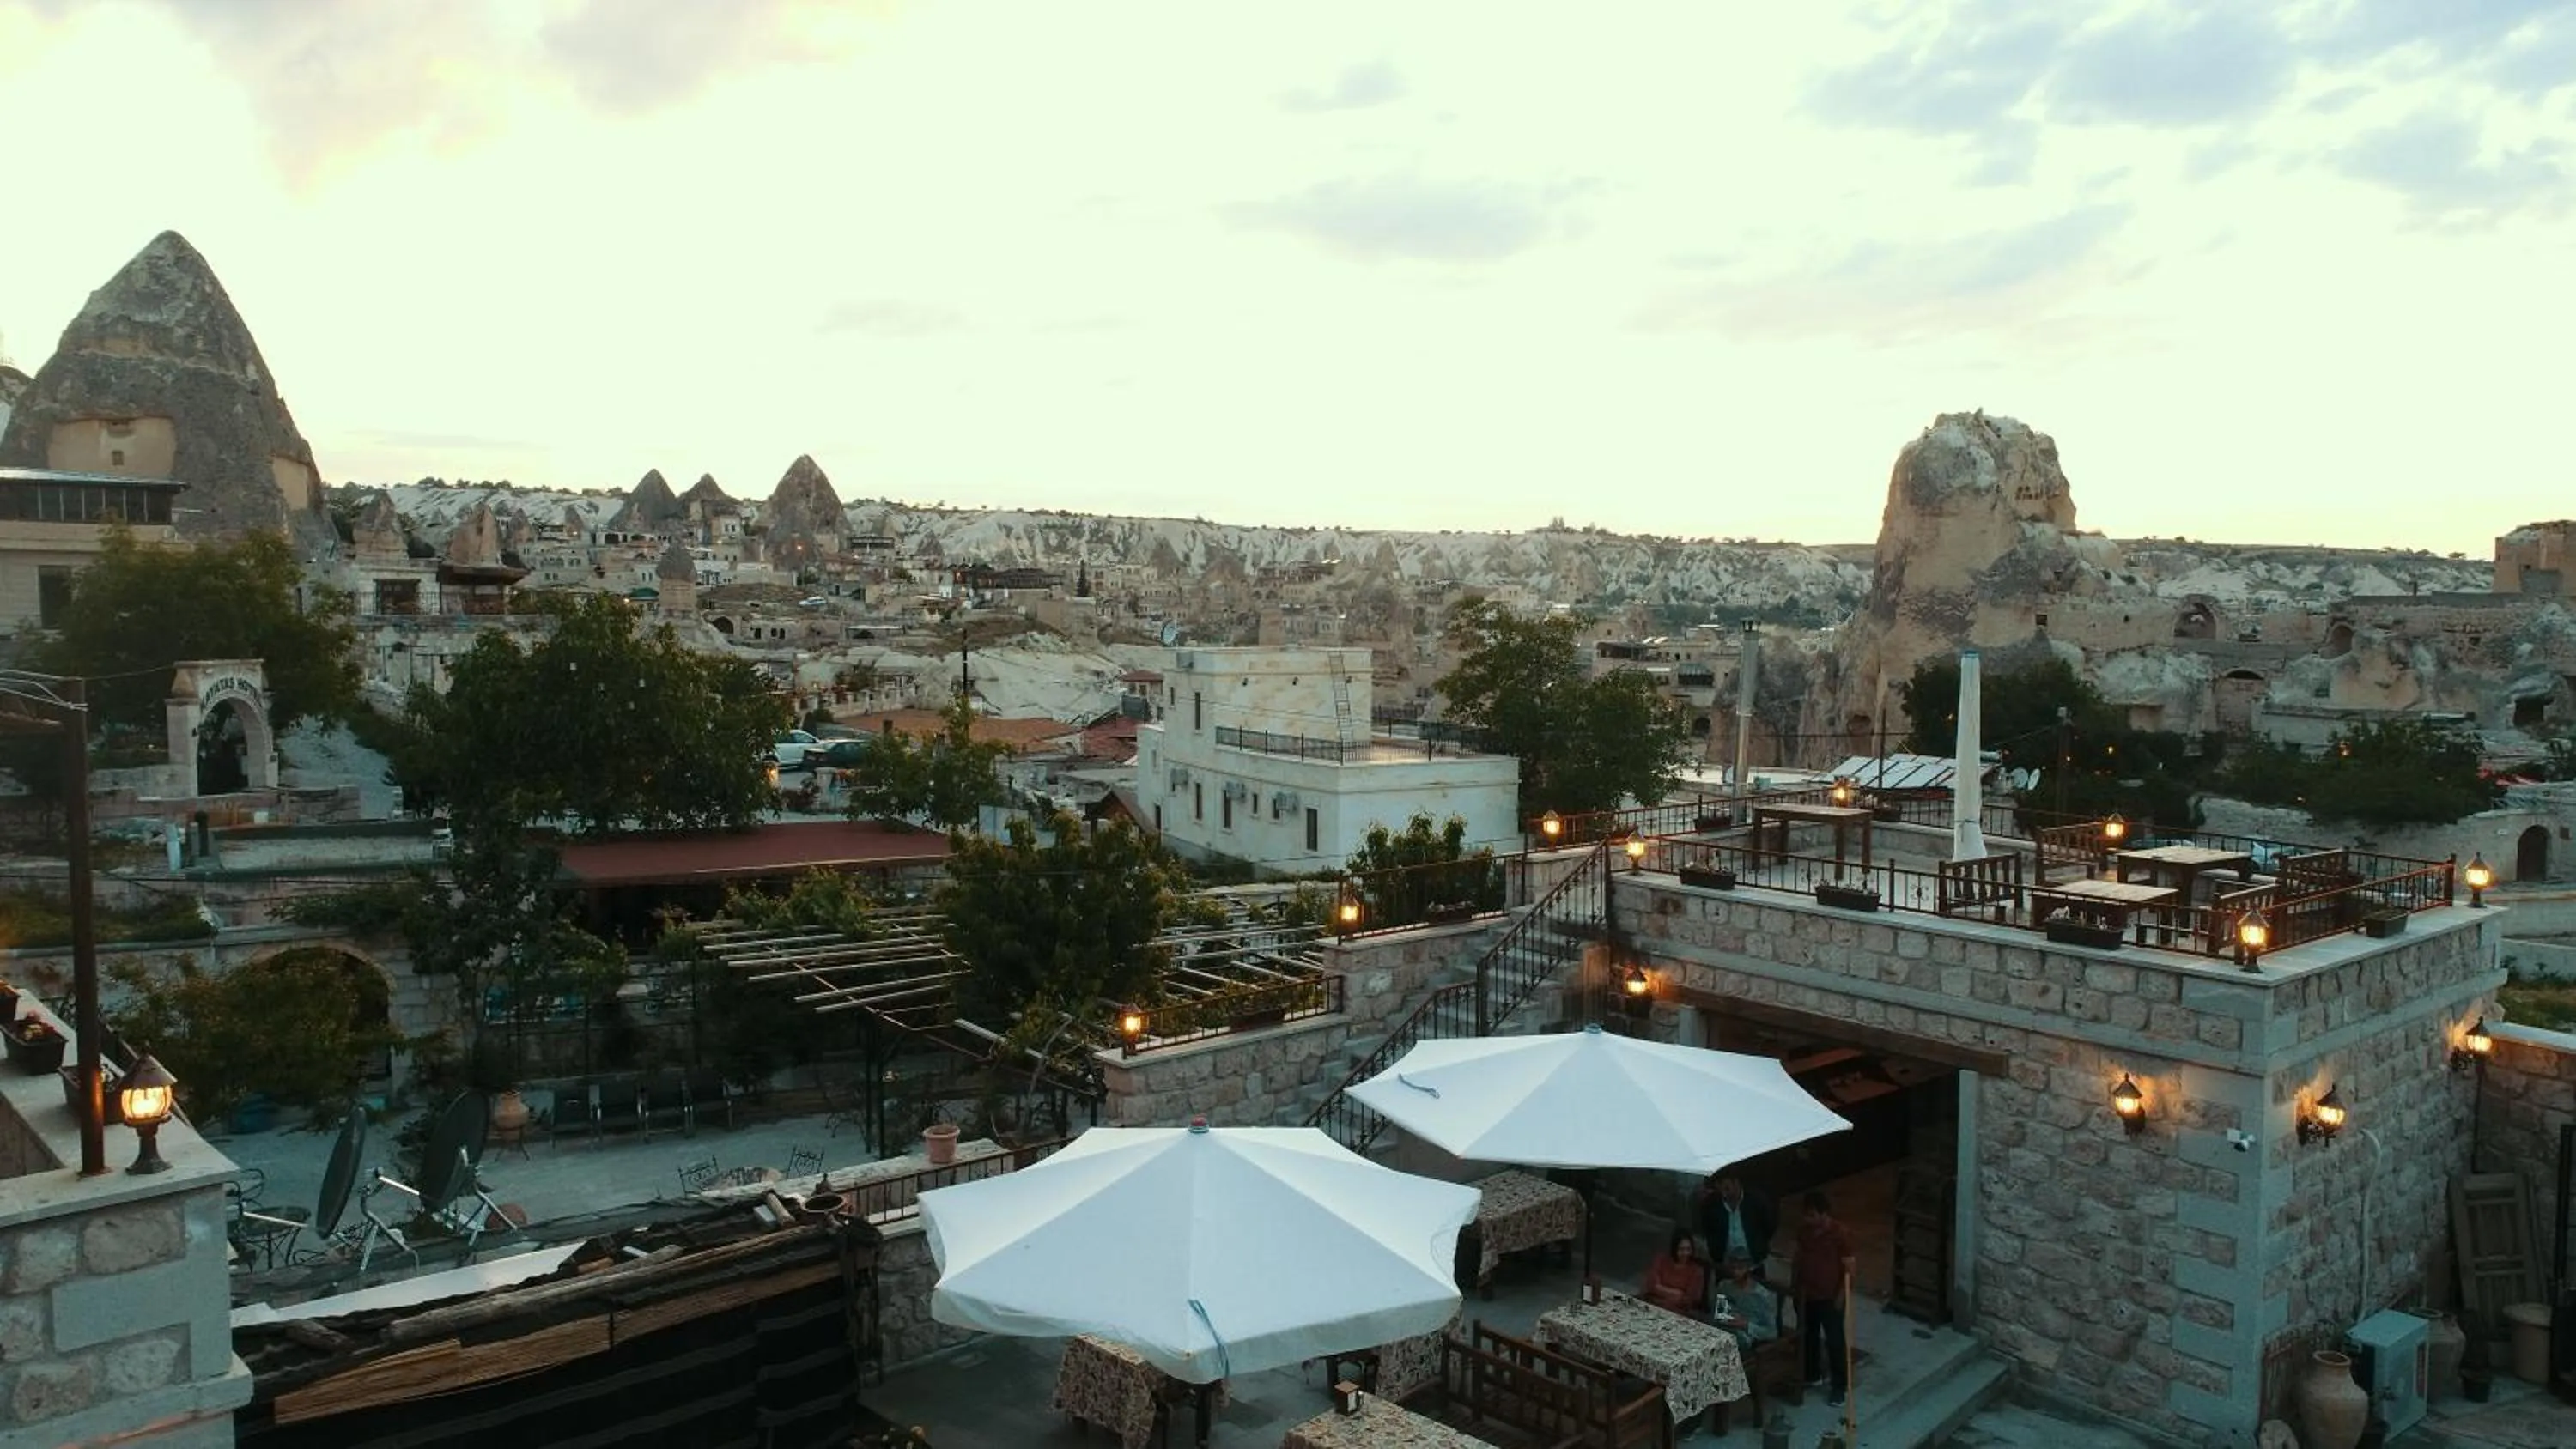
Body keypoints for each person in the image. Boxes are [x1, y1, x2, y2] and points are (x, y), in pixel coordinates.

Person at [1794, 1191, 1857, 1408]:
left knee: (1835, 1341)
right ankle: (1813, 1374)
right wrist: (1795, 1288)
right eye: (1806, 1215)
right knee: (1809, 1336)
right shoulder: (1804, 1232)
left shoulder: (1841, 1234)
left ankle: (1839, 1385)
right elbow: (1798, 1259)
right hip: (1807, 1294)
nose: (1808, 1219)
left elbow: (1850, 1269)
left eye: (1812, 1215)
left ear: (1824, 1214)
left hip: (1831, 1297)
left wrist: (1841, 1296)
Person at [1696, 1170, 1777, 1272]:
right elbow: (1707, 1229)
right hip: (1725, 1267)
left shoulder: (1756, 1202)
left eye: (1727, 1188)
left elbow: (1769, 1226)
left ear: (1736, 1182)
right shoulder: (1711, 1205)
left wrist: (1758, 1245)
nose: (1723, 1193)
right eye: (1719, 1188)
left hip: (1753, 1265)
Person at [1712, 1255, 1779, 1352]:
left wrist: (1746, 1325)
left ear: (1750, 1268)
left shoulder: (1763, 1296)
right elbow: (1717, 1313)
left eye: (1740, 1268)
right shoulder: (1724, 1286)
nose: (1736, 1272)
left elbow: (1772, 1333)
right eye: (1733, 1268)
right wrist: (1725, 1317)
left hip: (1742, 1339)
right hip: (1722, 1330)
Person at [1640, 1228, 1710, 1314]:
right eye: (1681, 1249)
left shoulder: (1696, 1271)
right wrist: (1676, 1293)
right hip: (1651, 1305)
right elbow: (1651, 1286)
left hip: (1677, 1312)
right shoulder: (1661, 1260)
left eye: (1688, 1249)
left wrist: (1660, 1290)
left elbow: (1689, 1300)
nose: (1685, 1253)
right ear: (1674, 1249)